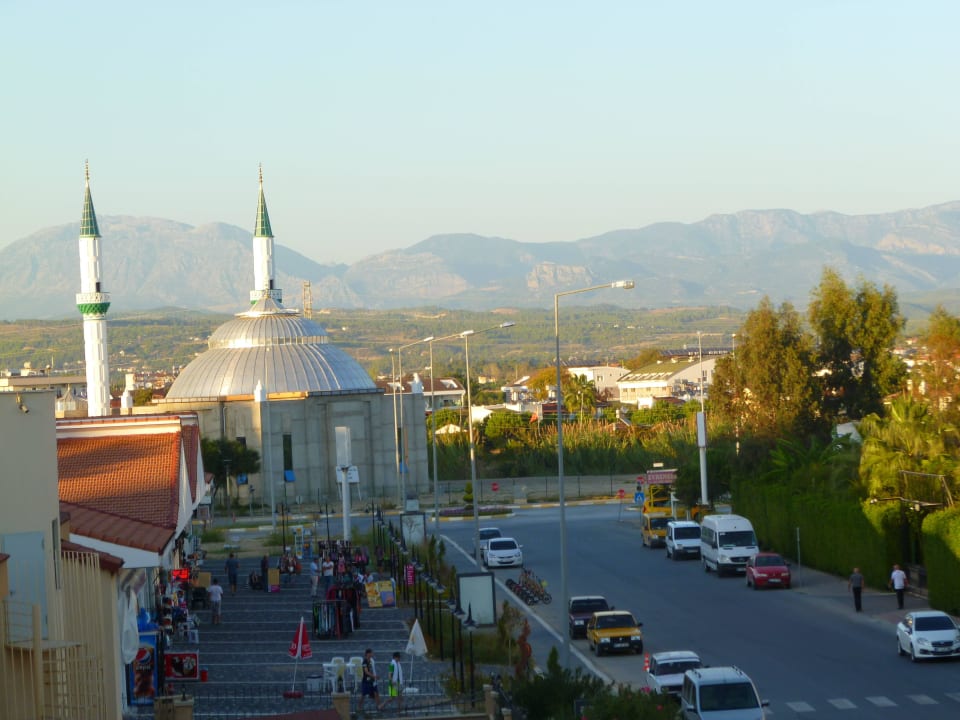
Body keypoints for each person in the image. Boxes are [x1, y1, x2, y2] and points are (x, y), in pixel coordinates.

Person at [360, 647, 382, 713]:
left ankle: (379, 706)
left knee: (376, 693)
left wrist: (374, 677)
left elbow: (373, 669)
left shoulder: (371, 660)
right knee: (363, 695)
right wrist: (374, 676)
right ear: (368, 654)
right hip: (366, 681)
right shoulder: (364, 662)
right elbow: (366, 672)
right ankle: (359, 707)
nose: (372, 654)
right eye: (371, 653)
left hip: (373, 681)